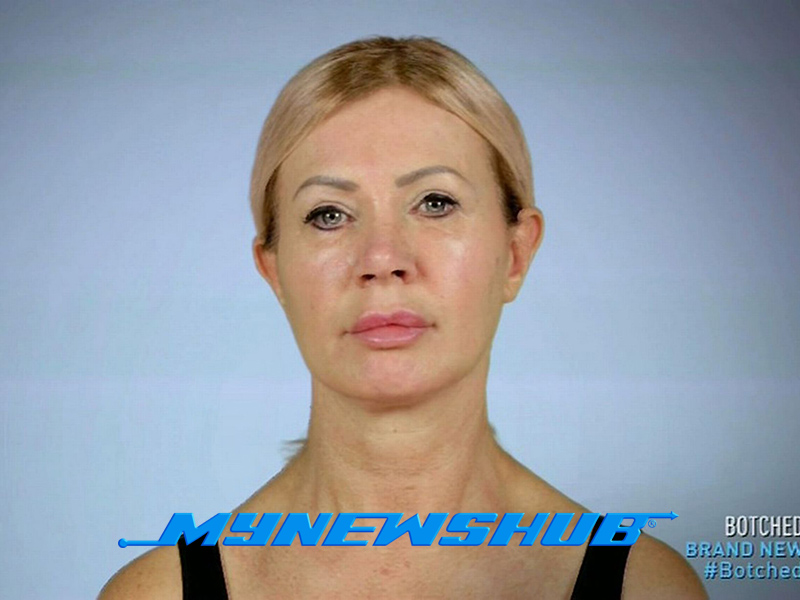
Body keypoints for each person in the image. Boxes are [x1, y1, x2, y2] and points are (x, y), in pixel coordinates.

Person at [100, 36, 706, 599]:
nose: (382, 258)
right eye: (329, 214)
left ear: (516, 253)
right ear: (274, 269)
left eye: (435, 203)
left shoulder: (644, 588)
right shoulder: (158, 593)